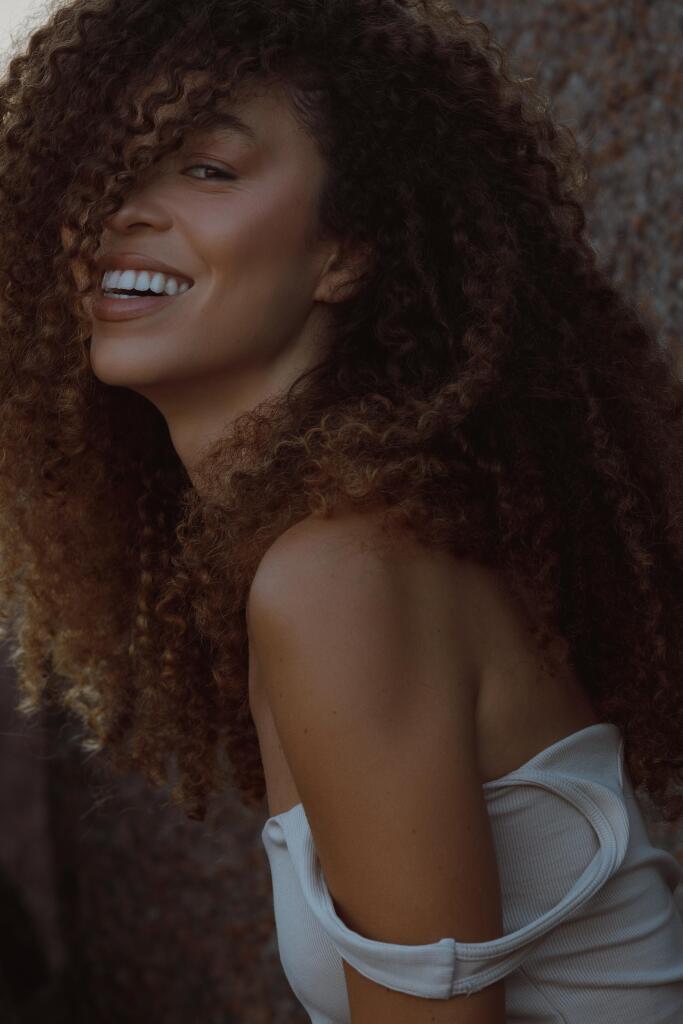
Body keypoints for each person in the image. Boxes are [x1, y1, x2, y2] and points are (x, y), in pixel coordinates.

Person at [0, 1, 682, 1021]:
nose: (122, 210)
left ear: (345, 253)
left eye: (208, 169)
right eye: (110, 168)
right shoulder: (342, 544)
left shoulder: (341, 576)